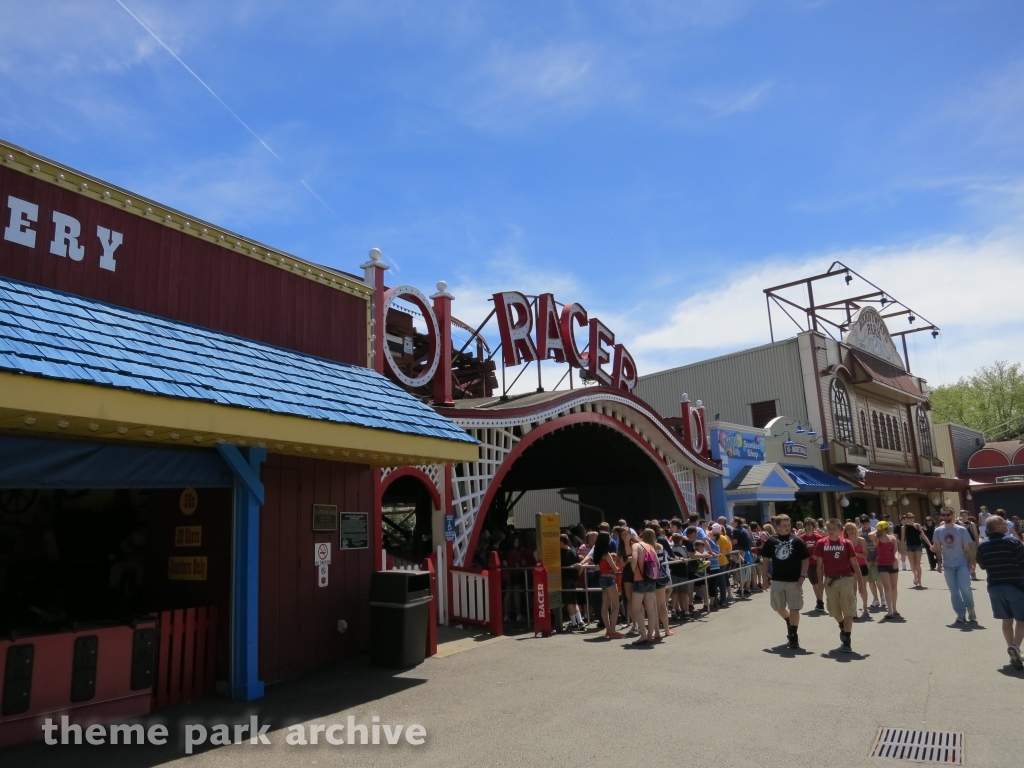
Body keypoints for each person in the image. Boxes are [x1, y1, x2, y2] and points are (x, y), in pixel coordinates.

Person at [976, 516, 1024, 669]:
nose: (1006, 524)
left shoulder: (983, 545)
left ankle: (1012, 650)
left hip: (995, 587)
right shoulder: (1013, 542)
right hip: (1016, 585)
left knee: (1006, 620)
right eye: (1004, 522)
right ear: (997, 526)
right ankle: (1016, 646)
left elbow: (982, 565)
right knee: (1022, 620)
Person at [812, 519, 863, 652]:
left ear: (840, 530)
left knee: (848, 610)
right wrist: (820, 585)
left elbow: (854, 563)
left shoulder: (846, 543)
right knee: (834, 611)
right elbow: (819, 566)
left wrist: (861, 584)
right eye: (829, 528)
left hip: (846, 579)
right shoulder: (821, 543)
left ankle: (847, 639)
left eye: (834, 528)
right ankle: (842, 624)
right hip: (830, 581)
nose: (831, 531)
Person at [760, 514, 809, 649]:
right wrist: (764, 578)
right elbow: (765, 560)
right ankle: (788, 620)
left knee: (794, 607)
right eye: (784, 525)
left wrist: (802, 576)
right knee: (778, 606)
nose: (787, 527)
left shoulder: (797, 541)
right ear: (778, 526)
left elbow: (805, 560)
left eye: (789, 525)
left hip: (794, 580)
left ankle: (793, 635)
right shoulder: (771, 541)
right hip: (777, 580)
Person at [933, 508, 976, 622]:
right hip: (948, 564)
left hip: (961, 563)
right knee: (953, 590)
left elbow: (967, 548)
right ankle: (960, 613)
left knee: (965, 587)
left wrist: (970, 563)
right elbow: (937, 548)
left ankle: (971, 609)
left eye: (948, 515)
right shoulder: (938, 531)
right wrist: (938, 563)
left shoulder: (961, 530)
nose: (946, 517)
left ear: (953, 515)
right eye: (943, 515)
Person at [582, 532, 625, 639]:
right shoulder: (607, 554)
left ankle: (608, 629)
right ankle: (612, 629)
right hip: (609, 579)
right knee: (615, 604)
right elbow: (615, 569)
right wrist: (618, 566)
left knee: (605, 605)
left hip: (602, 578)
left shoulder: (598, 553)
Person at [629, 531, 659, 644]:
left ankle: (643, 635)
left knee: (636, 608)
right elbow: (657, 563)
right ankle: (650, 635)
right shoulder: (649, 546)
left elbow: (634, 560)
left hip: (639, 579)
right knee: (650, 609)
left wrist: (633, 570)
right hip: (651, 579)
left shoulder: (635, 546)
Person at [871, 521, 900, 619]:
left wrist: (896, 560)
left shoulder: (893, 538)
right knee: (887, 586)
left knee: (894, 586)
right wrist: (877, 531)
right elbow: (870, 535)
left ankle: (895, 608)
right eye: (880, 529)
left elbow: (896, 550)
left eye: (883, 529)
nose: (881, 531)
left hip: (892, 562)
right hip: (881, 563)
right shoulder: (876, 538)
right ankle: (889, 610)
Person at [559, 534, 584, 631]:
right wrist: (578, 574)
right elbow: (580, 564)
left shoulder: (561, 553)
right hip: (574, 578)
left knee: (569, 601)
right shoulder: (574, 551)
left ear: (561, 542)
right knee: (574, 600)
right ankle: (580, 621)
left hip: (565, 578)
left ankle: (574, 623)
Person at [845, 521, 870, 616]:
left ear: (856, 530)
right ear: (846, 531)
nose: (851, 531)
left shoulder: (861, 540)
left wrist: (854, 555)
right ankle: (853, 609)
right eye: (849, 529)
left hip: (862, 566)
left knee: (862, 588)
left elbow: (865, 555)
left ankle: (865, 606)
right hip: (849, 568)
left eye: (852, 529)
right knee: (852, 589)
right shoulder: (844, 541)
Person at [800, 517, 825, 611]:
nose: (809, 527)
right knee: (814, 583)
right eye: (807, 525)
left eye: (811, 525)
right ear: (805, 527)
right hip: (808, 564)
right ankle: (819, 600)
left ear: (814, 526)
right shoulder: (802, 538)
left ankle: (820, 601)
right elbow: (800, 552)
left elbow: (823, 549)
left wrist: (817, 555)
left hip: (818, 563)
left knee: (820, 582)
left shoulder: (818, 537)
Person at [901, 514, 931, 588]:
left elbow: (923, 536)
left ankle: (919, 581)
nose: (911, 519)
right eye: (909, 518)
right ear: (906, 519)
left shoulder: (917, 525)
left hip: (917, 546)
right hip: (909, 546)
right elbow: (903, 539)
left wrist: (930, 545)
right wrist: (903, 549)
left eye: (912, 517)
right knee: (912, 564)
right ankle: (915, 576)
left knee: (917, 564)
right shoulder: (904, 527)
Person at [860, 516, 882, 609]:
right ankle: (875, 599)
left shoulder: (874, 531)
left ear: (869, 522)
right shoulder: (858, 532)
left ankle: (882, 596)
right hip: (866, 558)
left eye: (866, 523)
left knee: (878, 579)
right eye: (863, 523)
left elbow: (880, 543)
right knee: (870, 580)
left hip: (876, 557)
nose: (865, 525)